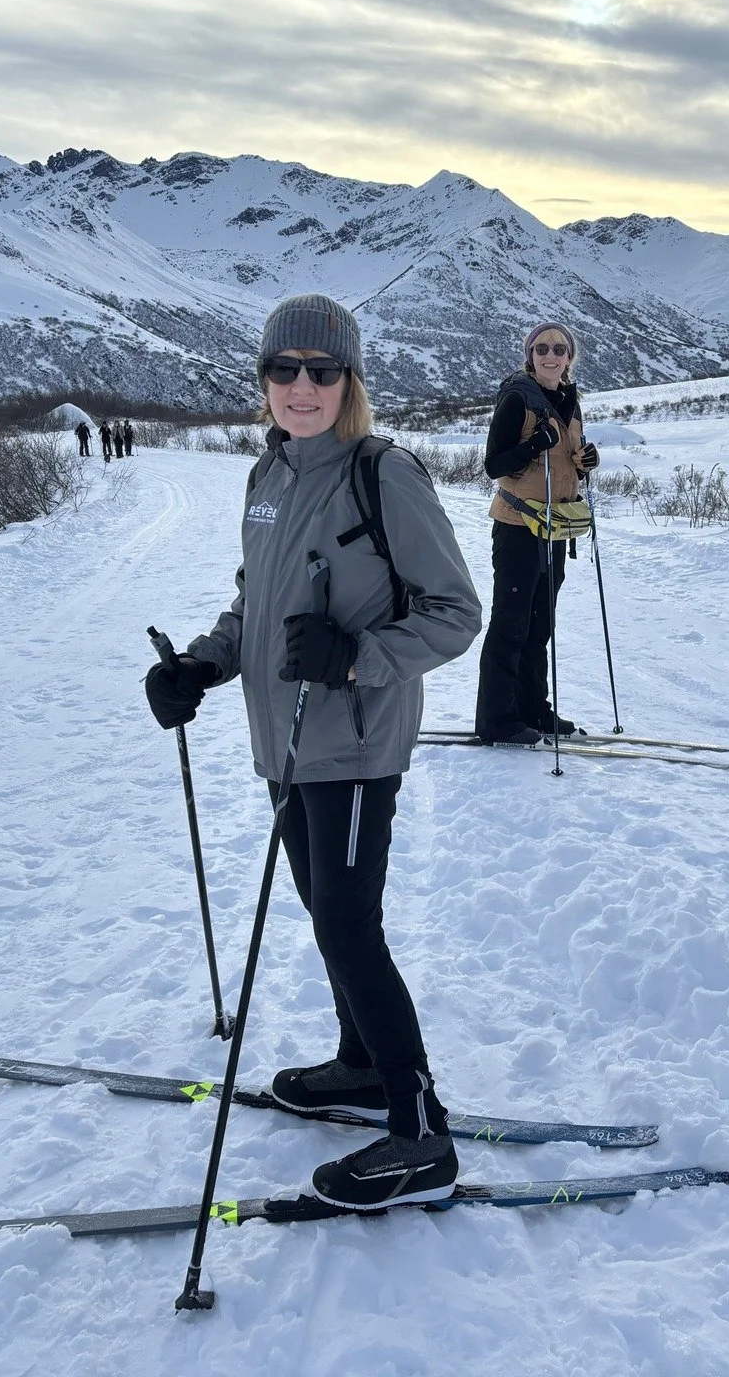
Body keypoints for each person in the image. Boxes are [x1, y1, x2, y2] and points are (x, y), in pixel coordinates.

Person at [143, 293, 482, 1209]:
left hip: (358, 747)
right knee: (325, 910)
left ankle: (421, 1135)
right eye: (283, 369)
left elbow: (457, 615)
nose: (301, 386)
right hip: (283, 745)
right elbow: (256, 604)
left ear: (349, 383)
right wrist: (201, 666)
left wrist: (361, 657)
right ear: (263, 382)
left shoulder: (384, 476)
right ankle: (365, 1064)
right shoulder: (268, 479)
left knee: (346, 924)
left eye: (322, 371)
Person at [473, 322, 599, 745]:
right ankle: (497, 719)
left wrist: (584, 462)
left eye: (559, 348)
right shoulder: (516, 398)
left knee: (539, 624)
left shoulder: (569, 400)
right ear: (530, 355)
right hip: (517, 526)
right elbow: (494, 465)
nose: (551, 355)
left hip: (556, 526)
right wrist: (533, 445)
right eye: (542, 348)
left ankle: (533, 710)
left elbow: (563, 459)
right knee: (510, 624)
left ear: (569, 356)